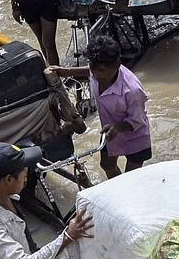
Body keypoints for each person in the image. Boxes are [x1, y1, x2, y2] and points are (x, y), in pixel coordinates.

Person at [51, 33, 151, 179]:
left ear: (117, 65)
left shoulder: (132, 90)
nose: (96, 74)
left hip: (134, 134)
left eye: (101, 70)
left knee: (132, 179)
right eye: (93, 68)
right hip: (110, 131)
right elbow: (90, 71)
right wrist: (65, 72)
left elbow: (138, 120)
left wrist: (118, 127)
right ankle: (117, 187)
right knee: (107, 165)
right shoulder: (96, 71)